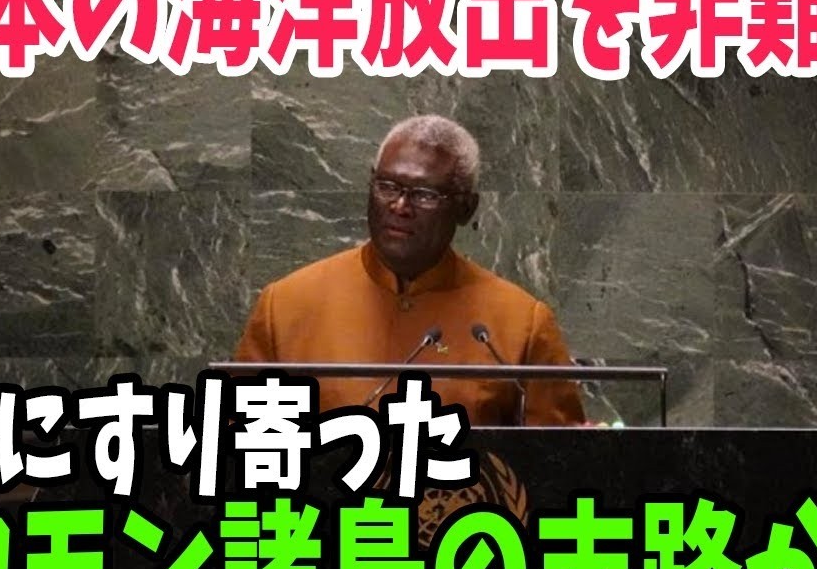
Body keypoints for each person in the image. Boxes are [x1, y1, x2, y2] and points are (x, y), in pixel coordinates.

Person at [232, 114, 586, 426]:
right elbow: (236, 442)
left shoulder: (520, 324)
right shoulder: (286, 305)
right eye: (388, 187)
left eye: (425, 195)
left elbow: (559, 461)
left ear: (466, 208)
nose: (400, 206)